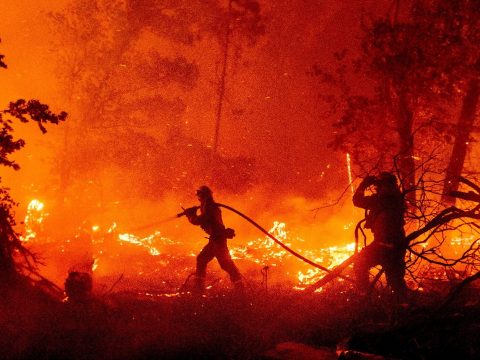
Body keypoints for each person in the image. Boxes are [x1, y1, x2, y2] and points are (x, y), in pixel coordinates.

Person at [353, 172, 408, 298]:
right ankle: (404, 307)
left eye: (380, 185)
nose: (378, 187)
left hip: (383, 244)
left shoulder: (383, 198)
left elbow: (357, 200)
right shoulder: (395, 198)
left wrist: (363, 185)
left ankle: (364, 297)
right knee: (396, 280)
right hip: (397, 244)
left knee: (360, 263)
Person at [183, 186, 243, 295]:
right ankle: (199, 289)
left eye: (199, 196)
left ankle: (241, 289)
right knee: (201, 259)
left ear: (204, 195)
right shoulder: (207, 206)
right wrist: (192, 213)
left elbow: (200, 220)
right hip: (214, 240)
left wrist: (190, 216)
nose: (198, 199)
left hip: (218, 240)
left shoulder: (210, 207)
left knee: (226, 264)